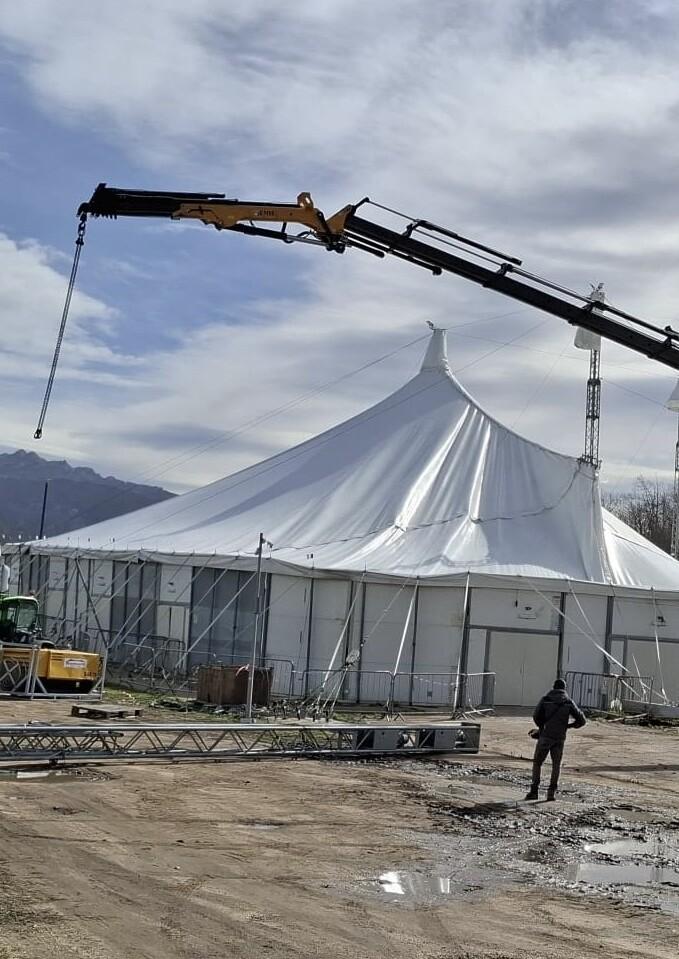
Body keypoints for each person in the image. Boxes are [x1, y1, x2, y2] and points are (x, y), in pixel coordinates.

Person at [525, 678, 586, 801]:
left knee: (537, 763)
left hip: (545, 736)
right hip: (559, 737)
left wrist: (542, 727)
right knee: (556, 765)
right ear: (564, 688)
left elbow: (536, 716)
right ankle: (551, 793)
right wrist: (568, 726)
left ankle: (534, 791)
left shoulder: (546, 700)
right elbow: (582, 720)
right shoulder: (568, 702)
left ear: (553, 687)